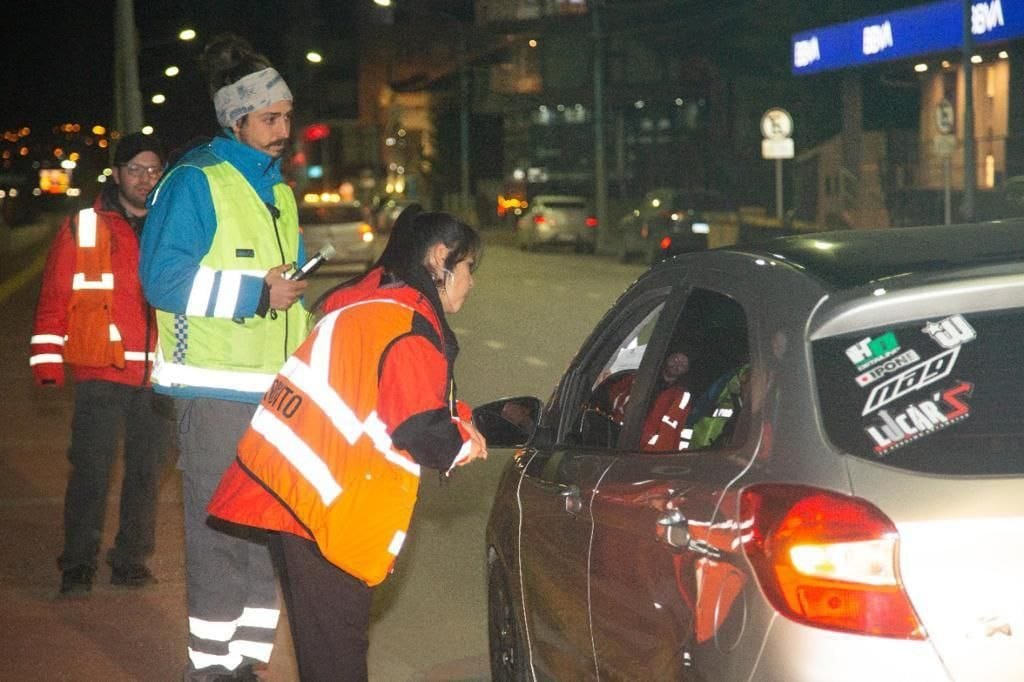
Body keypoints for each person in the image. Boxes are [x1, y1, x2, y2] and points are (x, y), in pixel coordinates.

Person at [207, 205, 489, 681]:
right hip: (322, 507)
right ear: (440, 258)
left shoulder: (369, 306)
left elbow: (376, 395)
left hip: (294, 489)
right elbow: (419, 429)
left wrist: (459, 417)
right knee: (337, 651)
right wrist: (465, 443)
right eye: (468, 268)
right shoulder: (407, 325)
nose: (471, 281)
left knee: (323, 644)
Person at [138, 34, 309, 681]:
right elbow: (162, 279)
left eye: (287, 116)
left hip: (273, 398)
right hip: (211, 396)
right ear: (235, 118)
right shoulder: (194, 183)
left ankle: (246, 666)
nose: (283, 130)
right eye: (271, 118)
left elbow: (284, 302)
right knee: (217, 542)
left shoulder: (280, 194)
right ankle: (210, 671)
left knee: (266, 538)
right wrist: (255, 291)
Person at [30, 131, 172, 595]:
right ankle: (78, 565)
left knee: (146, 475)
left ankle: (130, 561)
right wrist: (47, 361)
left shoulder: (172, 226)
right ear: (117, 173)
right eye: (136, 169)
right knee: (91, 472)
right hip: (99, 372)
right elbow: (55, 296)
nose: (145, 179)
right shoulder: (85, 225)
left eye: (153, 170)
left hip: (157, 377)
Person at [639, 350, 695, 451]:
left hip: (649, 450)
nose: (677, 364)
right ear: (667, 358)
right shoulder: (642, 379)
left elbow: (670, 430)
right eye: (675, 359)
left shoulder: (681, 395)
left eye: (683, 364)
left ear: (686, 370)